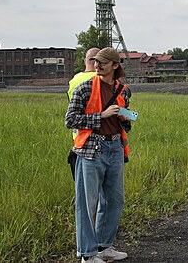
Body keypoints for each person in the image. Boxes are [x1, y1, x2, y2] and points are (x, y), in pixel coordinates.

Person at [65, 47, 132, 263]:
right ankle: (87, 254)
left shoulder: (124, 90)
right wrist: (100, 116)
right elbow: (70, 120)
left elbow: (130, 118)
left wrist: (125, 119)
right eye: (95, 62)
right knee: (87, 203)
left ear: (115, 65)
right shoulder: (84, 89)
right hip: (90, 150)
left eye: (102, 62)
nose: (97, 65)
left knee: (114, 200)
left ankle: (104, 247)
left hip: (115, 148)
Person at [67, 47, 100, 179]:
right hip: (99, 138)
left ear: (85, 60)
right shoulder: (101, 78)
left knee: (83, 187)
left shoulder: (74, 80)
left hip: (79, 139)